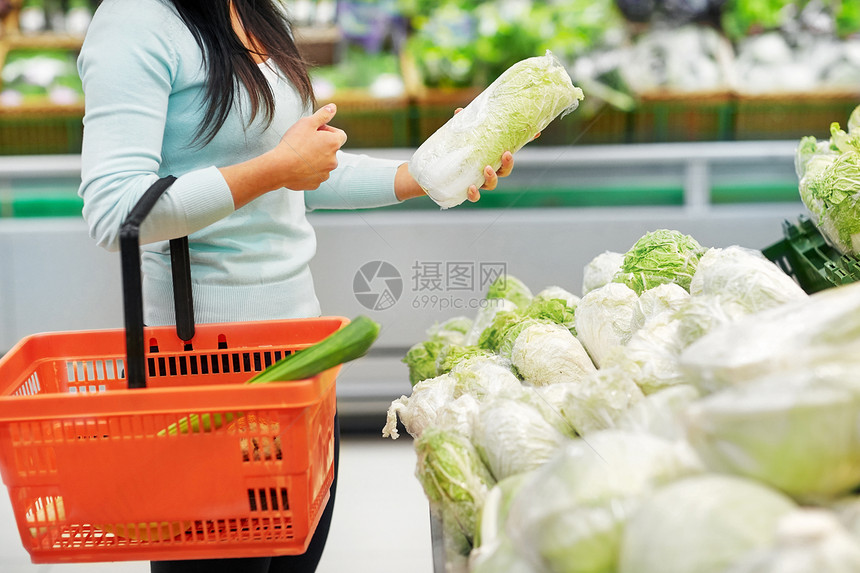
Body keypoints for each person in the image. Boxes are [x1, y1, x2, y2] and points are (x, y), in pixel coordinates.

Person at [77, 1, 516, 571]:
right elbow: (116, 212)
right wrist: (276, 168)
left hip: (300, 357)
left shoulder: (258, 11)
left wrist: (425, 175)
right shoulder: (136, 20)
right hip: (206, 368)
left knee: (295, 560)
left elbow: (296, 173)